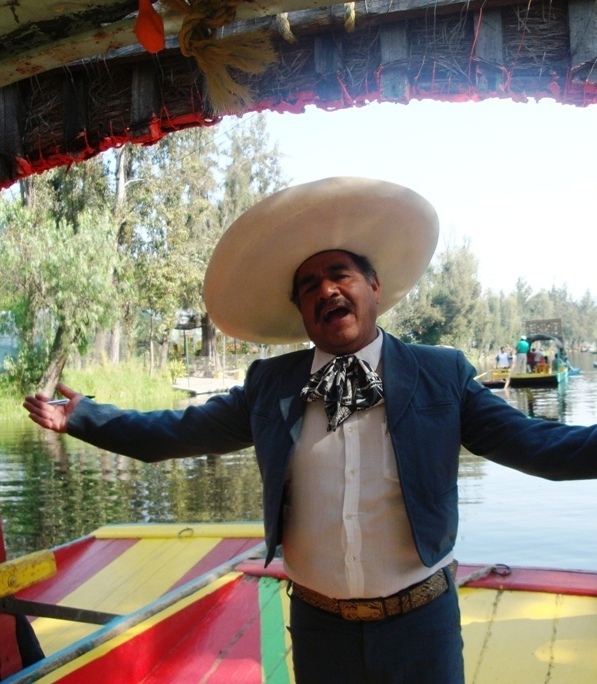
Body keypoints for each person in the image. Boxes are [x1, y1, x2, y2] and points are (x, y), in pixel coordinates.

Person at [23, 177, 597, 684]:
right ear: (301, 310)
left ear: (373, 286)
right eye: (308, 285)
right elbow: (176, 432)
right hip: (321, 630)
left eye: (339, 274)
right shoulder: (270, 385)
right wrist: (87, 417)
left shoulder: (439, 373)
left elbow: (543, 447)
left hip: (423, 626)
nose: (325, 289)